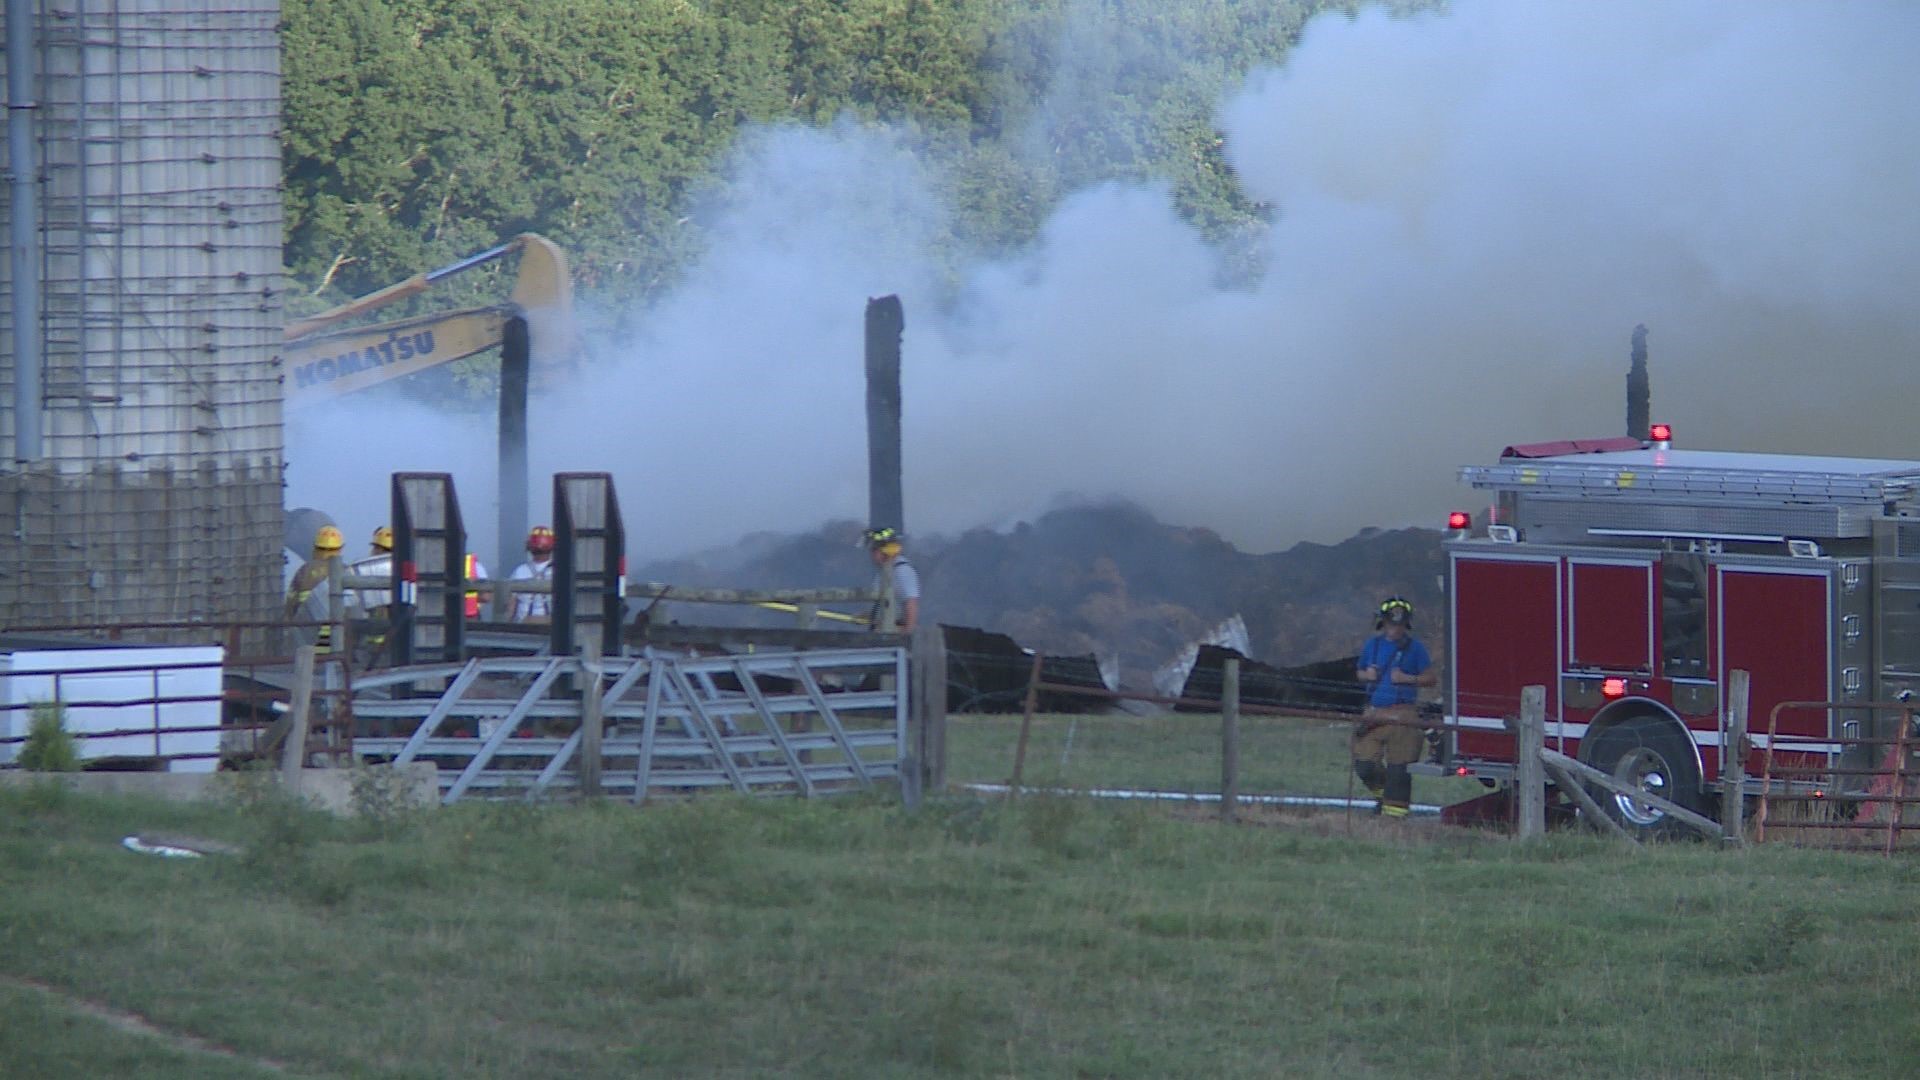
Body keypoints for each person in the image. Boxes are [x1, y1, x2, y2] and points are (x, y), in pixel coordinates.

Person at [1351, 596, 1435, 818]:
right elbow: (1358, 672)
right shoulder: (1373, 645)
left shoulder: (1415, 648)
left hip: (1404, 714)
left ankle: (1394, 820)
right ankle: (1383, 795)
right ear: (1383, 622)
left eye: (1400, 624)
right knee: (1364, 765)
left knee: (1399, 771)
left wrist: (1408, 679)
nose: (1395, 628)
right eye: (1391, 623)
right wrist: (1367, 675)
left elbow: (1430, 678)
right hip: (1375, 714)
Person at [284, 525, 345, 652]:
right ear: (340, 549)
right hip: (339, 643)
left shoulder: (304, 571)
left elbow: (290, 604)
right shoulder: (346, 572)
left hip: (309, 641)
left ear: (315, 547)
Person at [345, 526, 395, 665]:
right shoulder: (407, 568)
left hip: (369, 648)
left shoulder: (361, 570)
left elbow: (350, 610)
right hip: (397, 646)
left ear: (378, 548)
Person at [864, 526, 920, 633]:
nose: (871, 555)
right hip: (882, 632)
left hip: (895, 633)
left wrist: (906, 634)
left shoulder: (902, 571)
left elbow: (911, 603)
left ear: (883, 551)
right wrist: (870, 616)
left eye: (873, 550)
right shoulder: (884, 572)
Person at [509, 526, 556, 623]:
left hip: (525, 627)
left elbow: (511, 606)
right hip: (552, 627)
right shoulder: (559, 571)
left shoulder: (520, 571)